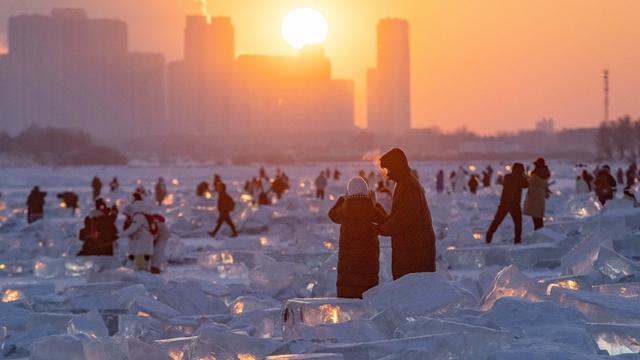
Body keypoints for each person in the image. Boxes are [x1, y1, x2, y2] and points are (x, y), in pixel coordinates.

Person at [377, 148, 436, 280]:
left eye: (389, 170)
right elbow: (399, 214)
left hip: (415, 253)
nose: (387, 174)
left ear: (396, 167)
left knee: (414, 293)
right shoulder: (404, 183)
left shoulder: (408, 186)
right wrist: (381, 218)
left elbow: (403, 218)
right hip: (412, 250)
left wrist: (381, 228)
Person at [329, 177, 387, 298]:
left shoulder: (344, 210)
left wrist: (342, 199)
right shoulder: (371, 209)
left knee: (348, 304)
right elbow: (385, 219)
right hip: (368, 270)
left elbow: (332, 214)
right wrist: (375, 204)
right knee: (367, 301)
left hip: (348, 272)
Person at [486, 163, 529, 244]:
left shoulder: (507, 177)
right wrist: (526, 175)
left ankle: (488, 236)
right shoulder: (520, 179)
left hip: (504, 203)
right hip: (514, 204)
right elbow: (527, 184)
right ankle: (517, 241)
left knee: (497, 221)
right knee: (518, 223)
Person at [121, 193, 156, 271]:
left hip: (141, 248)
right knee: (144, 269)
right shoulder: (144, 211)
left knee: (141, 270)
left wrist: (120, 235)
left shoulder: (138, 215)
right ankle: (147, 280)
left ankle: (144, 281)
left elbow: (133, 228)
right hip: (145, 246)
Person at [524, 158, 551, 230]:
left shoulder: (537, 173)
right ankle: (539, 230)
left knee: (536, 216)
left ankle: (538, 231)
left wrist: (525, 174)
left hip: (535, 196)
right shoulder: (545, 172)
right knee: (538, 216)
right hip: (540, 195)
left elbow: (532, 181)